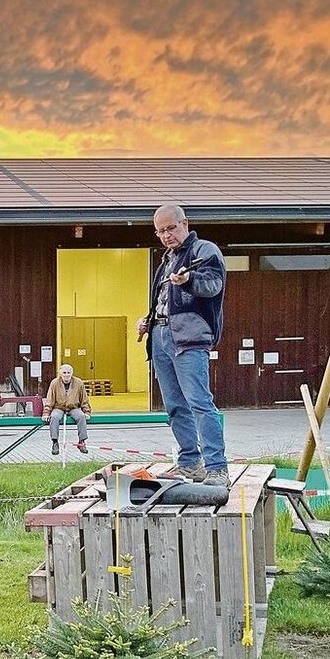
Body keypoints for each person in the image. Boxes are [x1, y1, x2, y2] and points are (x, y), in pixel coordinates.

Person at [137, 203, 230, 487]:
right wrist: (149, 319)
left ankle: (217, 468)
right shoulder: (167, 260)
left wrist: (189, 279)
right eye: (161, 231)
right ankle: (189, 463)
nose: (166, 235)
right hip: (161, 336)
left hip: (189, 338)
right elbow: (165, 301)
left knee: (200, 403)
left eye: (171, 228)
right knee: (175, 406)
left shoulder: (205, 250)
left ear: (185, 223)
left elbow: (213, 285)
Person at [45, 364, 92, 454]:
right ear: (60, 373)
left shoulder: (79, 383)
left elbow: (84, 399)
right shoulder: (54, 383)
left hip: (73, 407)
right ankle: (55, 442)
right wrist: (46, 413)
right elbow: (50, 399)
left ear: (72, 373)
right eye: (64, 373)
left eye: (68, 373)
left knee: (81, 416)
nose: (66, 375)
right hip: (59, 407)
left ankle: (82, 441)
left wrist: (87, 412)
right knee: (54, 417)